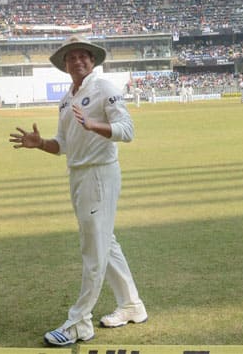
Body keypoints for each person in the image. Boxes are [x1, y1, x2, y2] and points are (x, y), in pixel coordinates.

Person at [9, 36, 146, 346]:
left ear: (92, 61)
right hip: (78, 175)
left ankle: (79, 323)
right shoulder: (66, 99)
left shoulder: (104, 89)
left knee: (93, 249)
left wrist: (94, 125)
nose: (79, 61)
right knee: (105, 243)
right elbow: (63, 145)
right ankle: (131, 305)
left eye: (84, 56)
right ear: (65, 65)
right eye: (72, 58)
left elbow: (128, 131)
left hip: (99, 174)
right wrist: (40, 143)